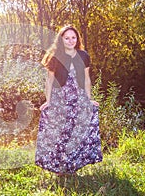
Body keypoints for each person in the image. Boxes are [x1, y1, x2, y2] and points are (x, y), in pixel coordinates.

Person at [35, 25, 103, 176]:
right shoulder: (55, 56)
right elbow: (49, 81)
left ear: (77, 39)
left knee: (76, 131)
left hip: (78, 98)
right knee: (61, 132)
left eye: (73, 37)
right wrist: (48, 101)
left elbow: (86, 79)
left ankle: (72, 167)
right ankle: (59, 167)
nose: (71, 40)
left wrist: (89, 99)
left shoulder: (84, 55)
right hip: (60, 98)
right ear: (61, 39)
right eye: (67, 38)